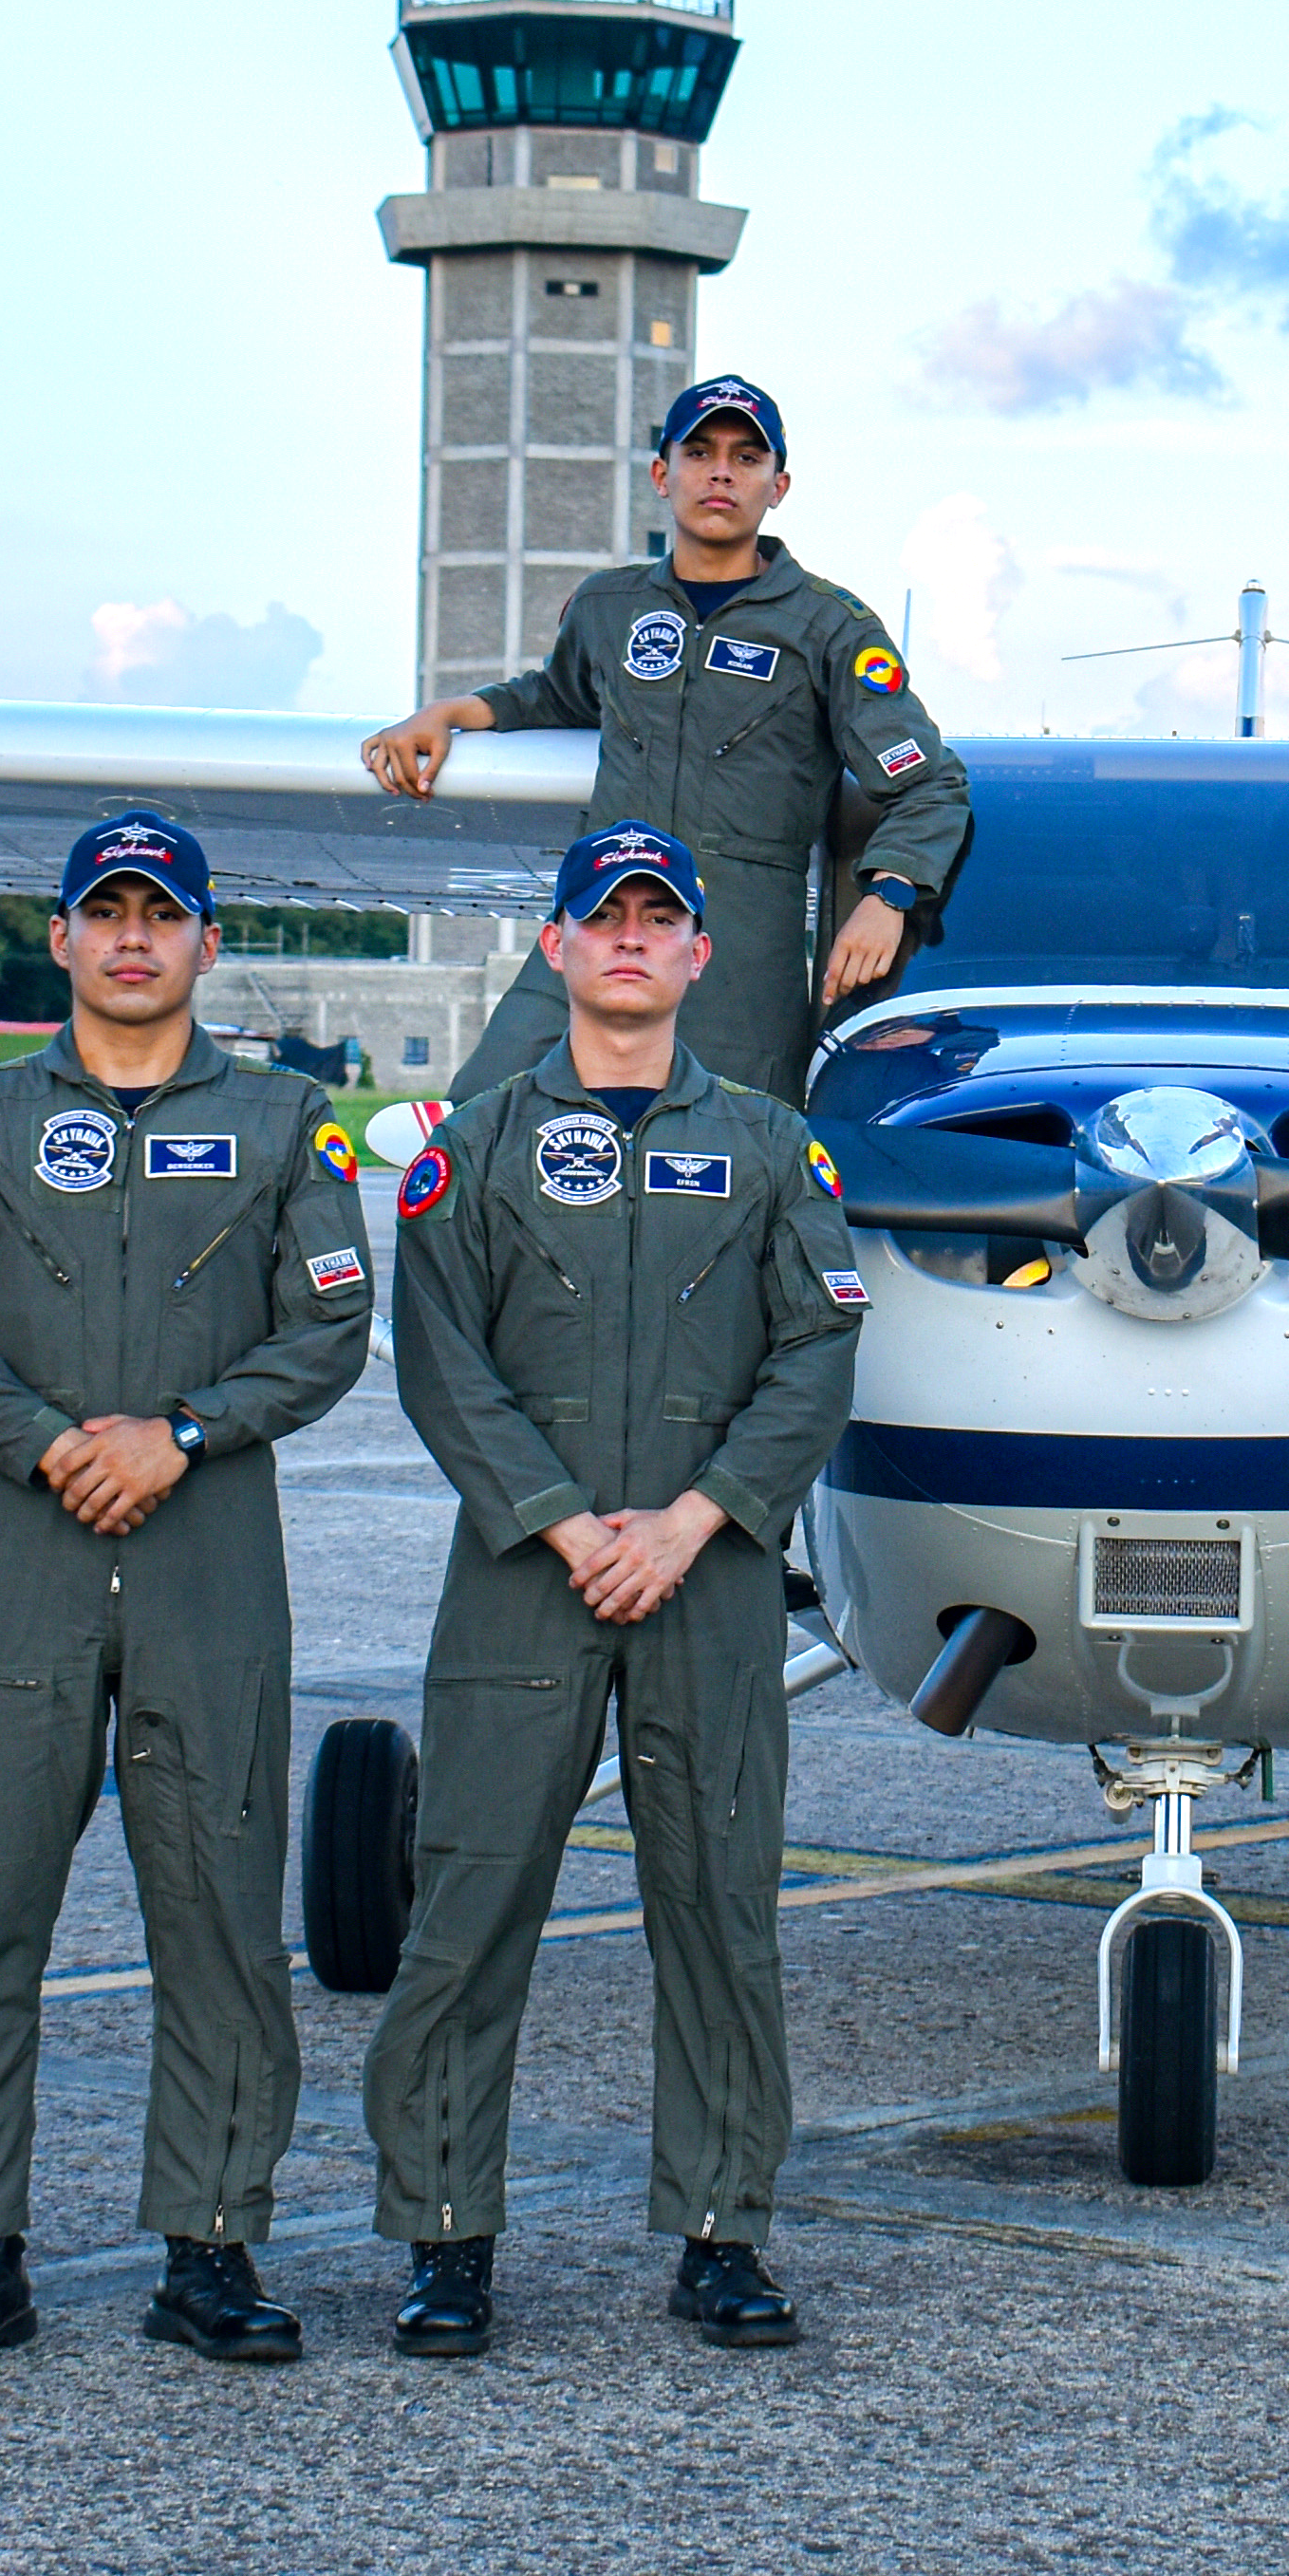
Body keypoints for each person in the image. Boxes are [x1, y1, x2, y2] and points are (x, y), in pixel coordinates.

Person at [0, 810, 378, 2369]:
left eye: (164, 915)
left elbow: (329, 1328)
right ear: (63, 939)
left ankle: (212, 2247)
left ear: (208, 941)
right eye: (109, 914)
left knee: (220, 1916)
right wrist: (44, 1444)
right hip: (18, 1561)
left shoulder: (292, 1124)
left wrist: (184, 1434)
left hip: (209, 1557)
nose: (135, 938)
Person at [355, 822, 869, 2356]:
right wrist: (573, 1527)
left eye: (662, 919)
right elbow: (442, 1352)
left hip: (704, 1581)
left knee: (719, 1907)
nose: (632, 940)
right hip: (527, 1578)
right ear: (561, 949)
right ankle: (445, 2237)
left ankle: (723, 2229)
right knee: (468, 1905)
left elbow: (820, 1347)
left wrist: (700, 1518)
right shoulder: (484, 1145)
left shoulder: (777, 1151)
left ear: (701, 953)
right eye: (606, 918)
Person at [359, 376, 973, 1103]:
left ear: (778, 485)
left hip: (741, 951)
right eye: (700, 451)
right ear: (662, 474)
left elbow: (930, 783)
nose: (720, 471)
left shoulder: (830, 629)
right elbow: (558, 696)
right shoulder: (607, 608)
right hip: (603, 918)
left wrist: (890, 896)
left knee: (734, 1158)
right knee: (484, 1120)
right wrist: (451, 711)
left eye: (746, 458)